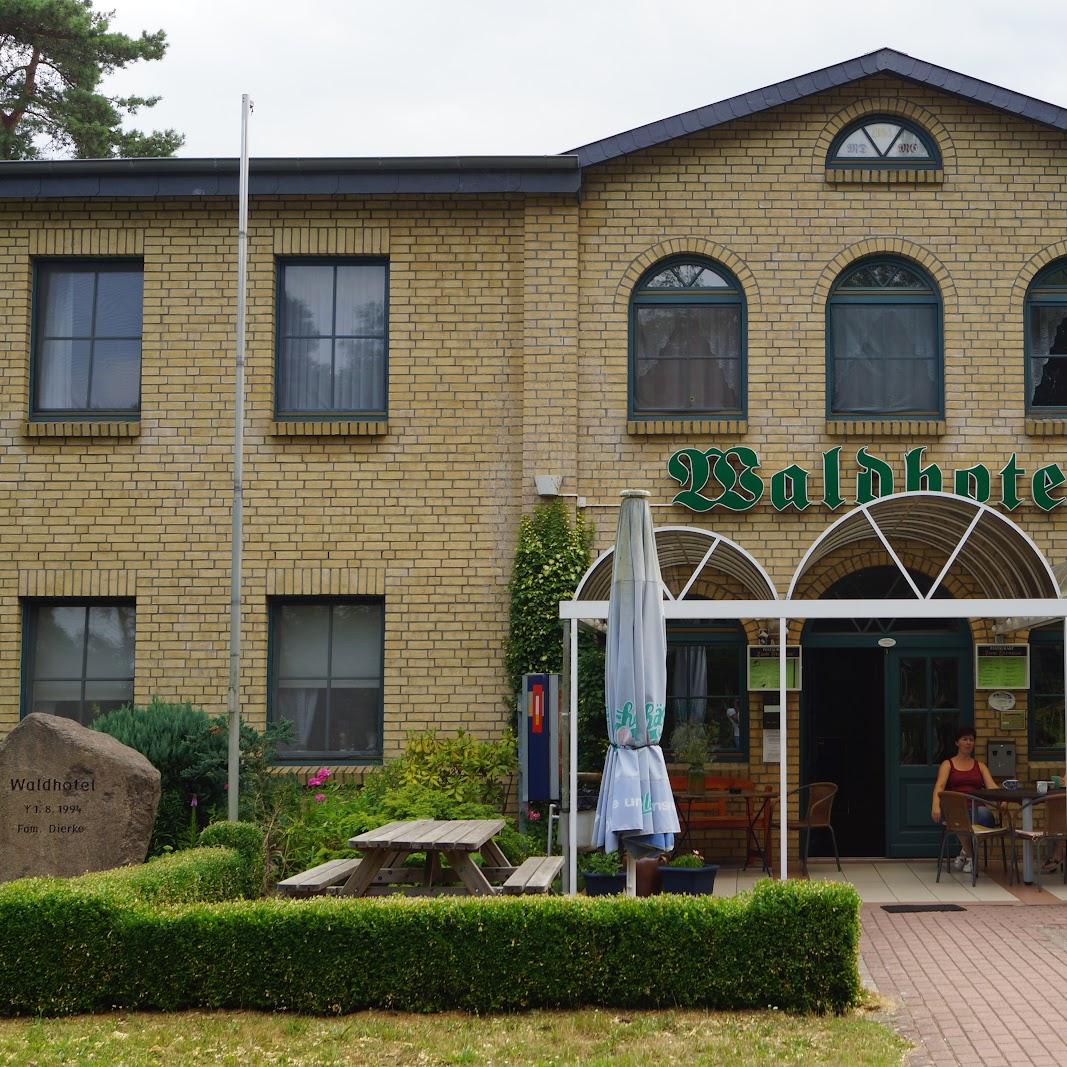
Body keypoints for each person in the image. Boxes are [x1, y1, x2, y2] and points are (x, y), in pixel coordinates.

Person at [931, 726, 998, 874]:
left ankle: (965, 853)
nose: (968, 743)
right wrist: (935, 805)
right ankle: (972, 857)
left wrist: (1002, 799)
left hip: (976, 808)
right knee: (960, 819)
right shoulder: (948, 764)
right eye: (964, 739)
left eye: (971, 740)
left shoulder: (980, 766)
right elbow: (940, 786)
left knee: (986, 817)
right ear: (957, 743)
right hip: (955, 808)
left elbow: (992, 786)